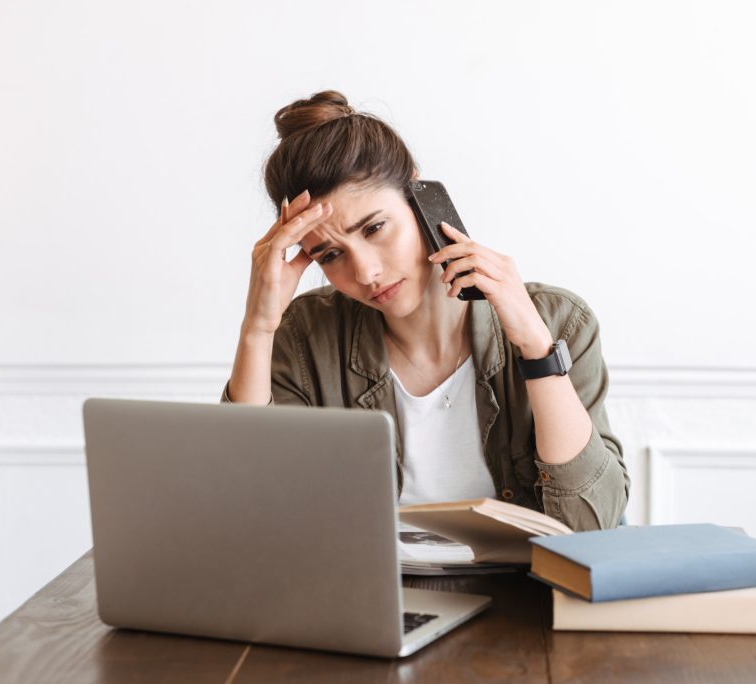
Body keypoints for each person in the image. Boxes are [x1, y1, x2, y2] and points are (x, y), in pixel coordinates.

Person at [222, 90, 629, 531]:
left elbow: (592, 525)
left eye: (374, 228)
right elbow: (252, 512)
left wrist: (537, 348)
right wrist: (259, 328)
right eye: (329, 256)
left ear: (419, 195)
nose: (367, 272)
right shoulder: (305, 334)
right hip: (374, 596)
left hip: (526, 593)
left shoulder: (558, 320)